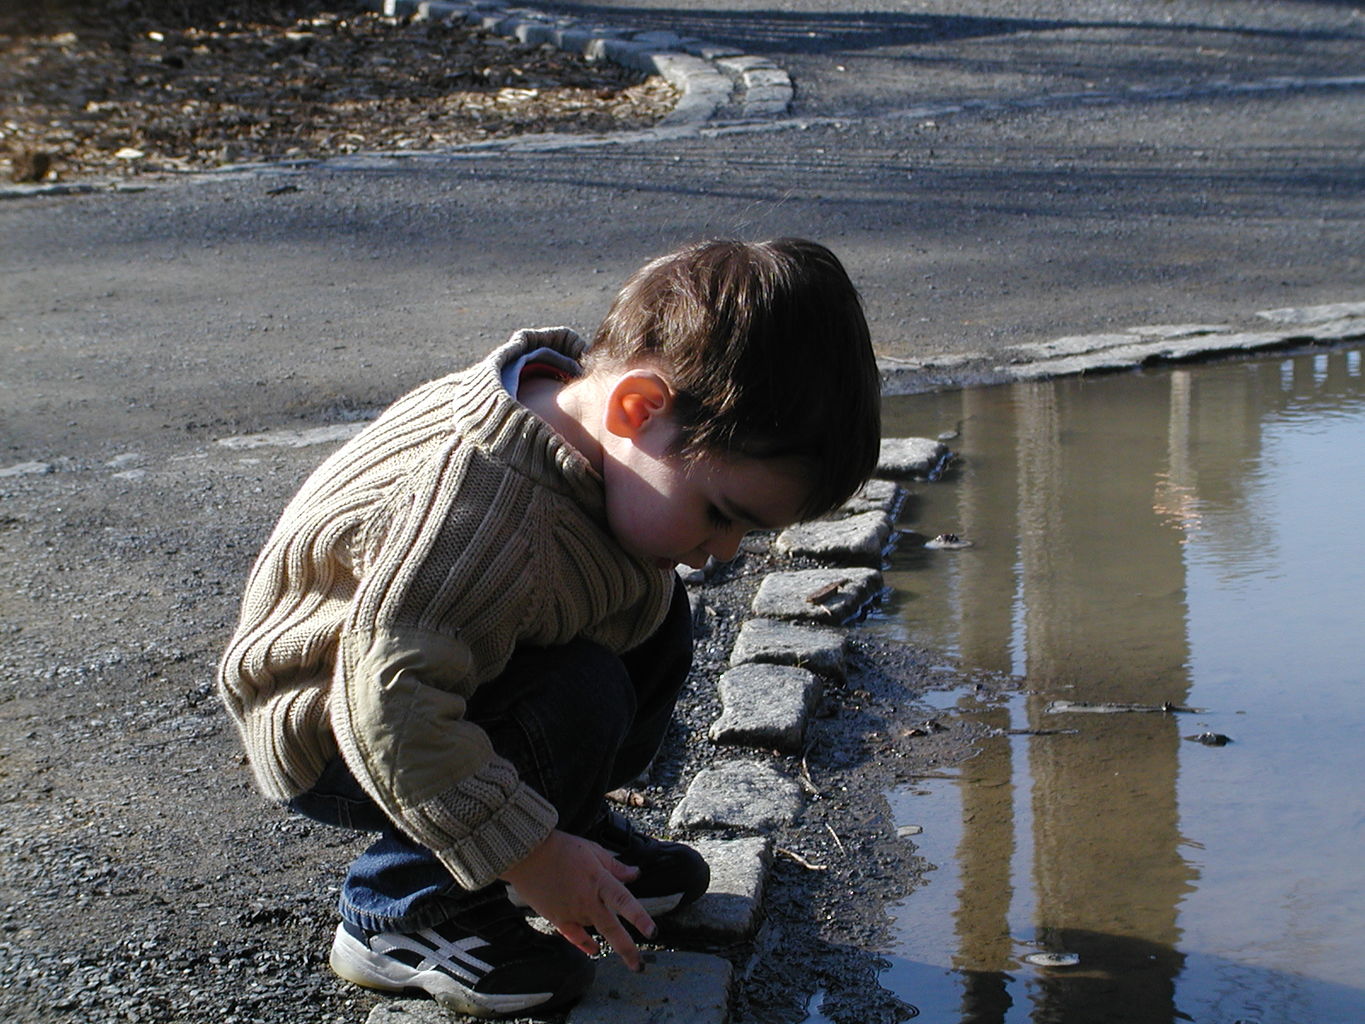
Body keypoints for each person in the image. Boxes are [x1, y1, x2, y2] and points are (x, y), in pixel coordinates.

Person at [216, 238, 882, 1018]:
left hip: (429, 674)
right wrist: (528, 857)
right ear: (637, 407)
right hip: (332, 719)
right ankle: (400, 909)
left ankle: (564, 818)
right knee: (580, 693)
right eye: (721, 514)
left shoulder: (588, 428)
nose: (723, 552)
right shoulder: (474, 517)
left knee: (654, 608)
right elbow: (388, 705)